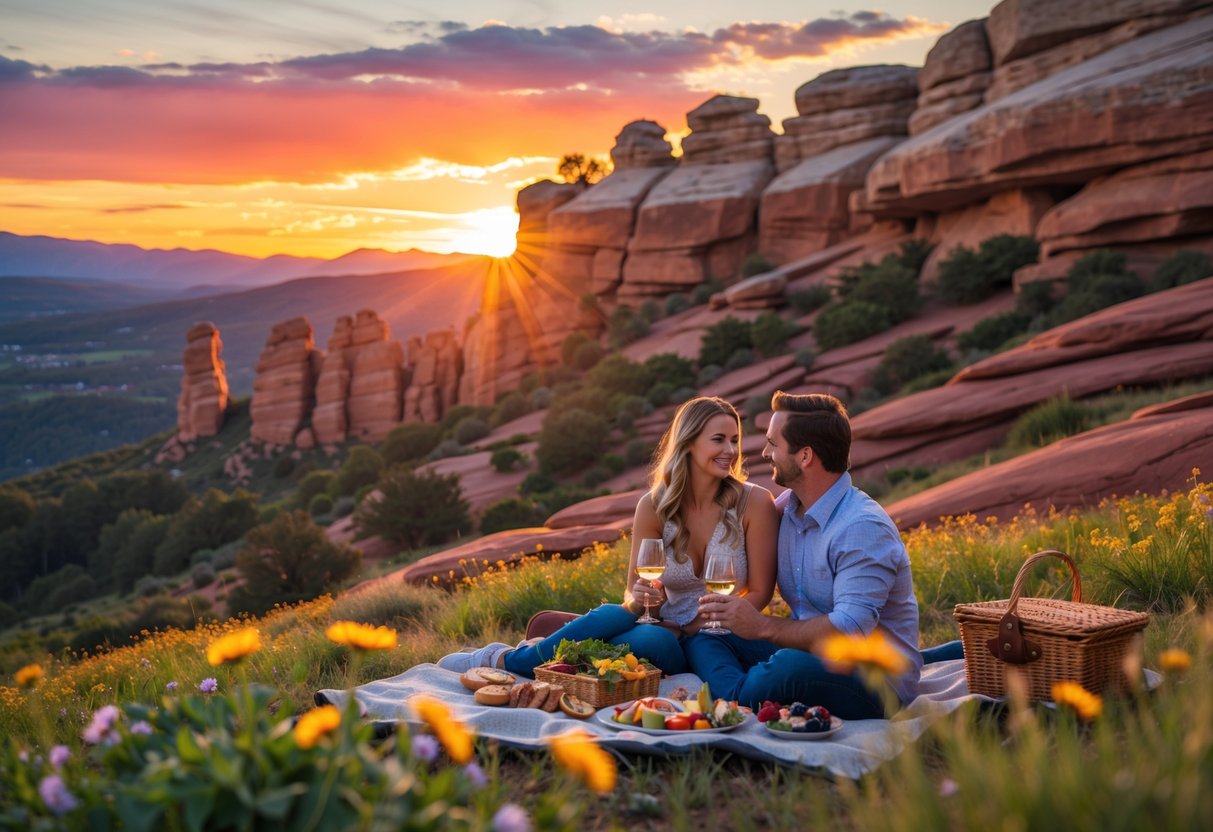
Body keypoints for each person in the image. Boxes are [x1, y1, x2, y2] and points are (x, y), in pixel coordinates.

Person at [438, 396, 779, 677]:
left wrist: (706, 623)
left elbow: (761, 591)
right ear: (688, 443)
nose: (730, 450)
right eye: (718, 439)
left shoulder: (755, 501)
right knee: (642, 634)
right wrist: (649, 597)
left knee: (637, 636)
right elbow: (635, 591)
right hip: (665, 631)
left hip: (722, 634)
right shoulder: (654, 506)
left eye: (734, 439)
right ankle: (509, 660)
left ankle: (524, 656)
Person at [686, 391, 926, 719]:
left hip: (874, 682)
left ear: (805, 456)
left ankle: (739, 697)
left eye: (773, 443)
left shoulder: (862, 527)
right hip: (807, 654)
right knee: (711, 636)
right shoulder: (787, 510)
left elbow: (848, 629)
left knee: (787, 667)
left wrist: (763, 627)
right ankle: (751, 691)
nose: (764, 452)